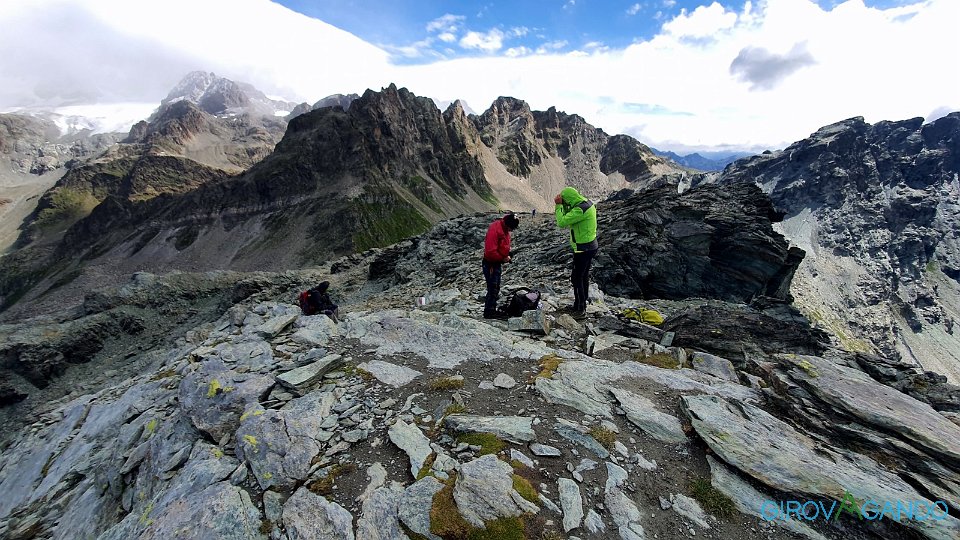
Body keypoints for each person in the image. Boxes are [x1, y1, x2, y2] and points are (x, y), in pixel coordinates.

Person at [555, 187, 598, 318]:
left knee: (576, 277)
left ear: (569, 199)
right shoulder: (585, 203)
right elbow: (569, 214)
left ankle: (580, 309)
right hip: (590, 246)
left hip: (583, 248)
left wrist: (558, 206)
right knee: (583, 276)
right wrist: (564, 204)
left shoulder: (580, 210)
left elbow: (561, 222)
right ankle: (580, 303)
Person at [482, 212, 520, 319]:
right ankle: (489, 312)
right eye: (511, 228)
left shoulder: (503, 228)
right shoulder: (495, 230)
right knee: (492, 287)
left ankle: (491, 309)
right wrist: (503, 258)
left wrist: (506, 254)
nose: (511, 231)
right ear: (508, 225)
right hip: (491, 263)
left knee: (495, 286)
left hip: (496, 263)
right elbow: (490, 252)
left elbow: (501, 246)